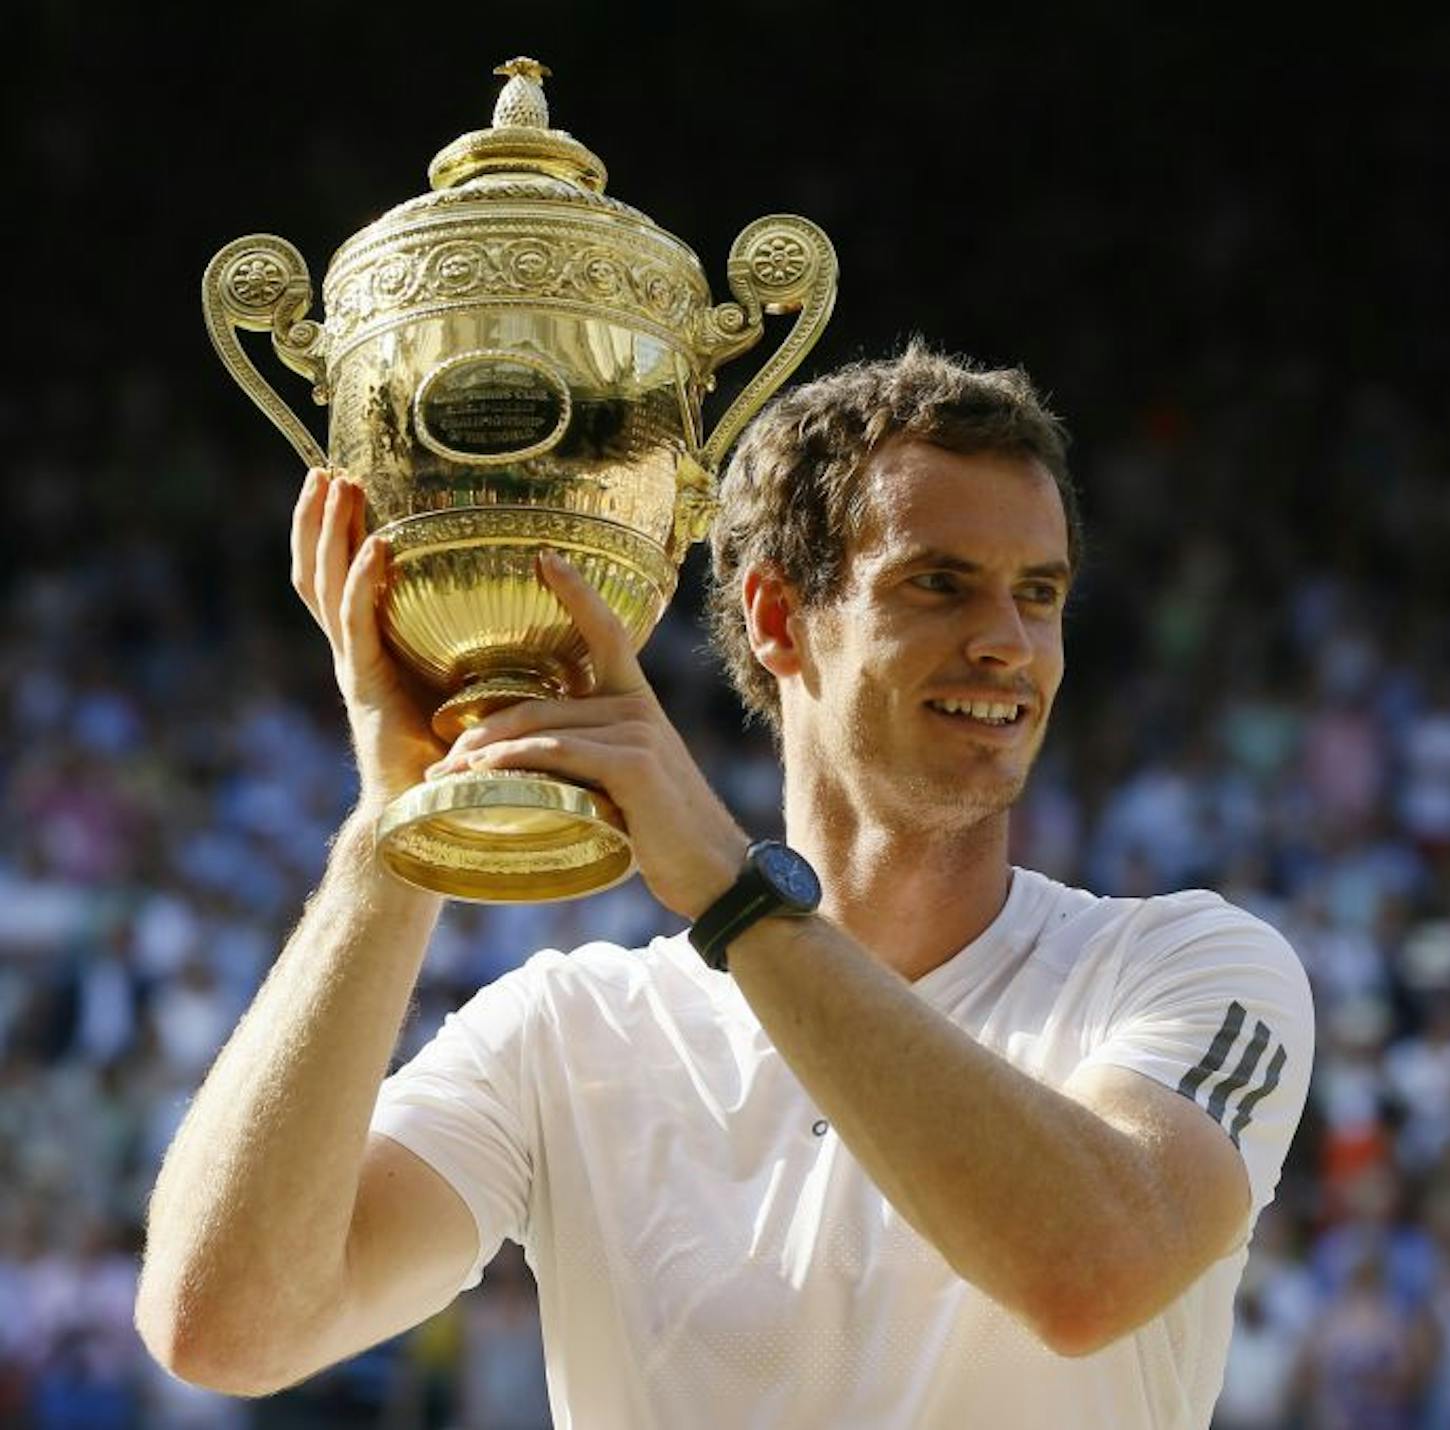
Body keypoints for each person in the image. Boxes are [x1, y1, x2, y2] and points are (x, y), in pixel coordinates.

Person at [134, 343, 1314, 1427]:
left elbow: (1089, 1273)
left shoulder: (1189, 966)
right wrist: (391, 837)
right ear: (777, 617)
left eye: (1039, 591)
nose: (1008, 639)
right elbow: (225, 1324)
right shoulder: (568, 1032)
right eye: (938, 583)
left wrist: (734, 894)